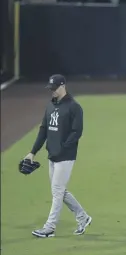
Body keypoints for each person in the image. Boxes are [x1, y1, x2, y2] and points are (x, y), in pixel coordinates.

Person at [24, 74, 92, 238]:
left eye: (54, 88)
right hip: (52, 155)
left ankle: (50, 227)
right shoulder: (50, 106)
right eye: (51, 89)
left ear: (63, 86)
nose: (52, 91)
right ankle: (83, 217)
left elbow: (77, 132)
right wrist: (32, 152)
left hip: (66, 156)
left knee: (57, 191)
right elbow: (43, 130)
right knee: (60, 191)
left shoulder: (74, 107)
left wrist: (63, 148)